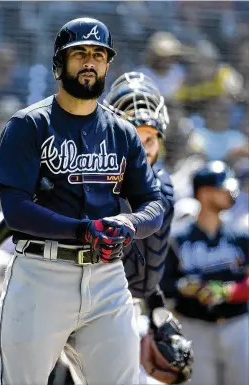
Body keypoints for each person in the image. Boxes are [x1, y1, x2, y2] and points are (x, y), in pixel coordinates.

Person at [0, 17, 164, 385]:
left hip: (107, 279)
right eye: (80, 53)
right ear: (59, 64)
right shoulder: (28, 125)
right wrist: (83, 230)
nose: (90, 61)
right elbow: (15, 209)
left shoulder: (123, 132)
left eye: (99, 54)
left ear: (107, 64)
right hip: (41, 274)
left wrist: (130, 224)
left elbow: (153, 204)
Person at [103, 72, 193, 384]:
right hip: (93, 309)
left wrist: (157, 313)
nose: (143, 149)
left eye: (149, 140)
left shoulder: (164, 186)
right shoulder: (97, 186)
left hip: (132, 309)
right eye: (133, 138)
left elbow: (148, 263)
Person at [161, 161, 249, 385]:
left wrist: (229, 291)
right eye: (223, 188)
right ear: (204, 192)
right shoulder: (178, 240)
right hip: (195, 326)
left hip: (237, 324)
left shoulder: (240, 235)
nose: (230, 193)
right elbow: (162, 285)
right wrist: (184, 286)